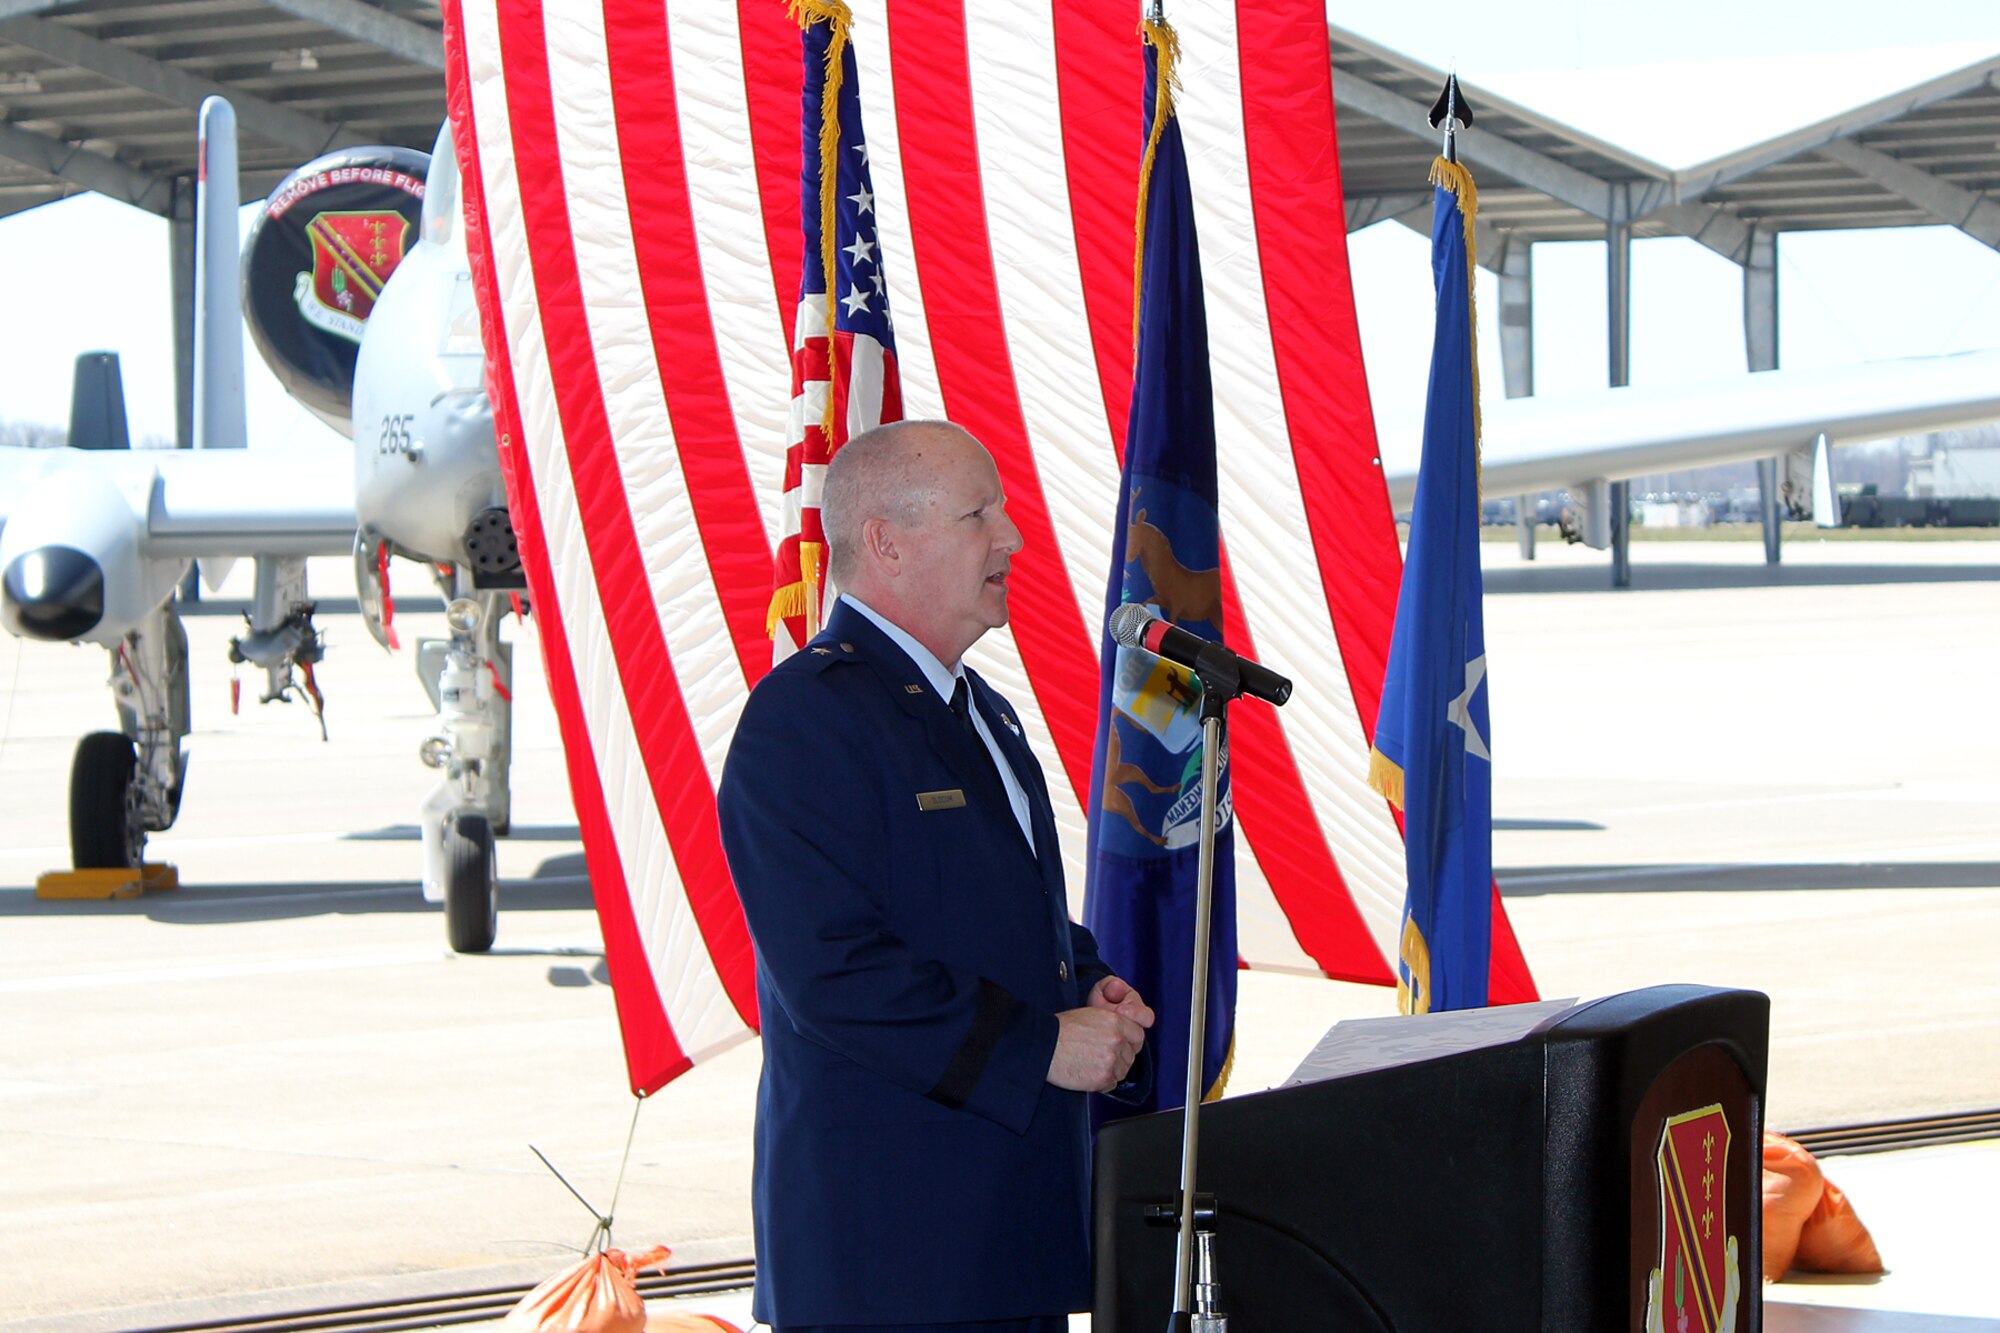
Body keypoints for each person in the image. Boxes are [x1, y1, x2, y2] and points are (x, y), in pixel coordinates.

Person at [718, 419, 1154, 1333]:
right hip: (892, 1256)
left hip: (1002, 1241)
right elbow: (834, 972)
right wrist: (1042, 1043)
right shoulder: (805, 718)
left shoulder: (979, 709)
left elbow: (981, 911)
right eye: (978, 513)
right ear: (886, 543)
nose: (1012, 536)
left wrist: (1082, 980)